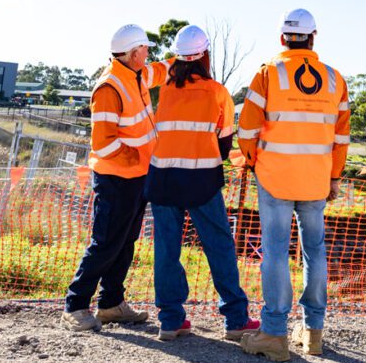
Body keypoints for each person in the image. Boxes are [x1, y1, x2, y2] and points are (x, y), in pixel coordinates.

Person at [237, 9, 350, 361]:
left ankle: (273, 332)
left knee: (274, 252)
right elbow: (341, 137)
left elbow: (246, 130)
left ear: (282, 37)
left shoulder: (269, 74)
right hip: (315, 180)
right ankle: (313, 331)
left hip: (275, 177)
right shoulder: (335, 79)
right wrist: (333, 176)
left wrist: (253, 160)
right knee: (314, 251)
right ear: (313, 37)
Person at [146, 24, 259, 342]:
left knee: (166, 248)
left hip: (163, 176)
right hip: (201, 178)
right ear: (205, 54)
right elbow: (224, 146)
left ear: (176, 58)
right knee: (219, 245)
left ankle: (170, 319)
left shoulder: (165, 89)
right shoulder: (218, 92)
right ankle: (235, 319)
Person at [62, 24, 171, 332]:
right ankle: (75, 305)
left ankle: (111, 304)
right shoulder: (110, 87)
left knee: (125, 242)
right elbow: (103, 144)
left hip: (137, 177)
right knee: (106, 243)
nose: (149, 54)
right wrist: (135, 156)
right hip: (116, 178)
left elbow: (161, 71)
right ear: (133, 53)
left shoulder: (137, 75)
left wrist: (188, 56)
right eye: (145, 50)